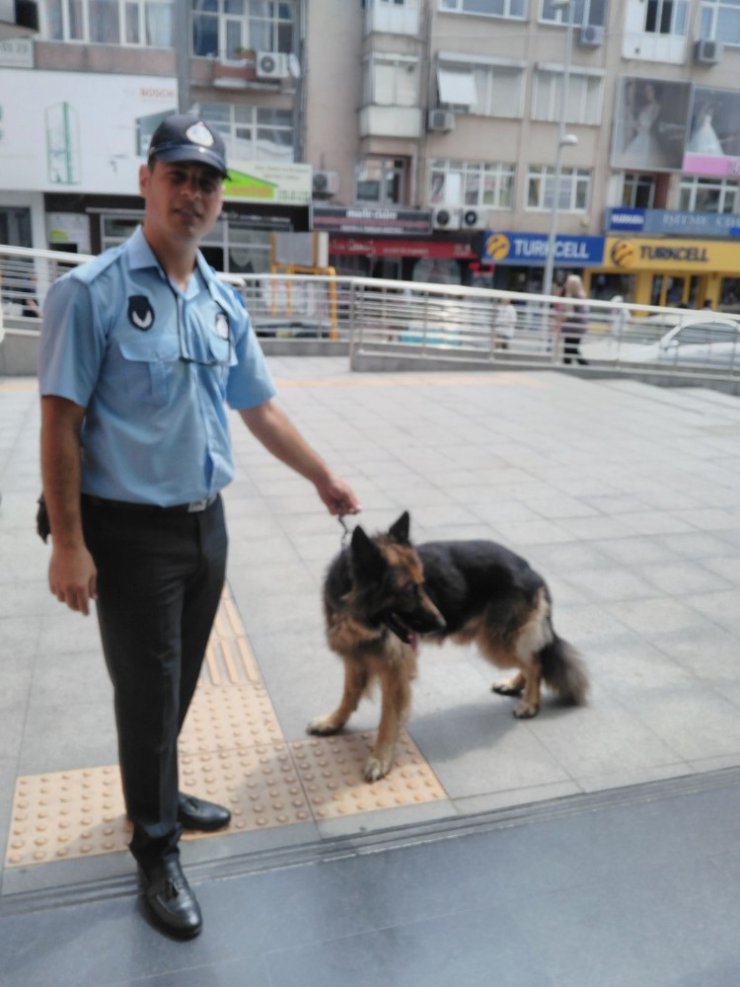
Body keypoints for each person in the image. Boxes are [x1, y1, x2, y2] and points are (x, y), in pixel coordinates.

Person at [38, 114, 361, 941]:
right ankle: (155, 846)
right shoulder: (93, 292)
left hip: (203, 529)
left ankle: (159, 784)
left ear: (220, 202)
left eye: (206, 182)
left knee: (174, 687)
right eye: (177, 175)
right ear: (145, 179)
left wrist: (322, 475)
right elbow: (60, 423)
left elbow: (258, 407)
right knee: (148, 691)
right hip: (130, 534)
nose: (193, 193)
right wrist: (70, 541)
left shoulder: (222, 299)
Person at [559, 273, 589, 366]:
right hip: (577, 327)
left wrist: (563, 317)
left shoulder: (574, 297)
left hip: (574, 327)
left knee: (570, 348)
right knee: (571, 348)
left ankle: (583, 364)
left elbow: (570, 313)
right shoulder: (580, 295)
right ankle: (581, 364)